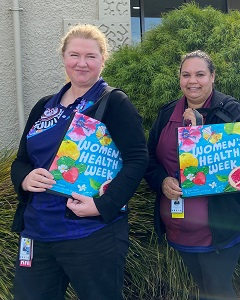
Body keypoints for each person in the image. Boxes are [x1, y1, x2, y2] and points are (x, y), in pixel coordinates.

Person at [10, 24, 148, 299]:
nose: (81, 63)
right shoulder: (44, 106)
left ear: (102, 60)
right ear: (63, 58)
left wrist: (103, 205)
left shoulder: (113, 102)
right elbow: (22, 160)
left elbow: (137, 158)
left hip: (91, 233)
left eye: (90, 56)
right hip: (38, 231)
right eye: (74, 55)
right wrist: (25, 178)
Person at [144, 50, 240, 299]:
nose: (192, 81)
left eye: (200, 74)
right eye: (186, 75)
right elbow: (148, 159)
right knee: (203, 289)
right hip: (179, 225)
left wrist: (202, 136)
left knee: (218, 289)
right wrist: (162, 180)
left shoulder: (231, 113)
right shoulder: (167, 114)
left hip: (219, 226)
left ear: (213, 76)